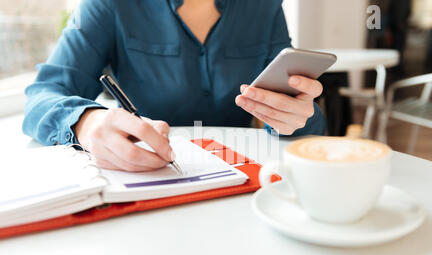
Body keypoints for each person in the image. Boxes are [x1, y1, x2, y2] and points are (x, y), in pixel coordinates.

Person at [23, 0, 326, 172]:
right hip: (147, 177)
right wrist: (87, 123)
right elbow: (44, 94)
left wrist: (299, 116)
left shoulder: (264, 7)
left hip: (242, 176)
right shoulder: (108, 6)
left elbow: (304, 118)